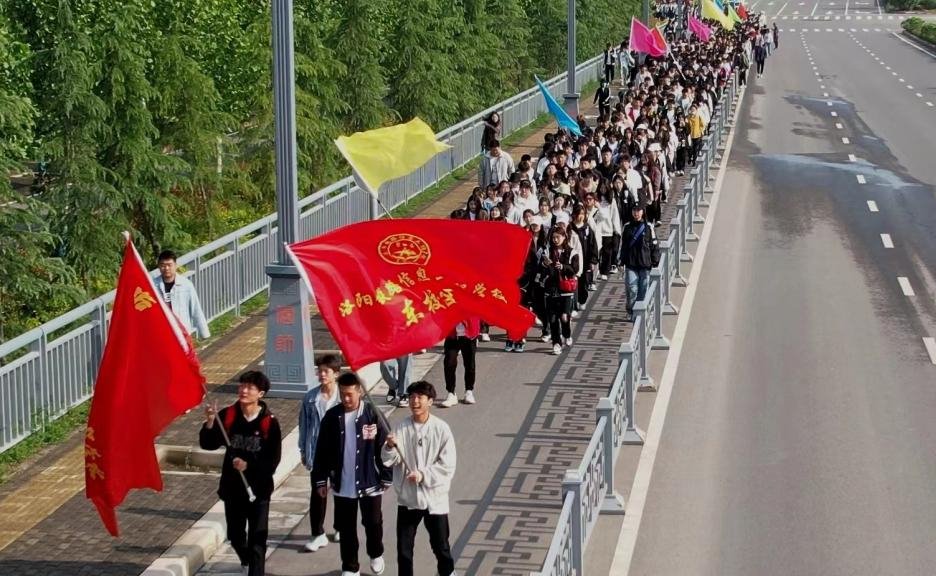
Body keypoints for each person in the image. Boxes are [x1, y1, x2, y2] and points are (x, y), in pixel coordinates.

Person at [200, 371, 282, 576]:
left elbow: (273, 460)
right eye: (242, 386)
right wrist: (210, 421)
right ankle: (245, 559)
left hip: (259, 490)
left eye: (250, 387)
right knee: (235, 536)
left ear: (260, 394)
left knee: (257, 539)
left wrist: (249, 466)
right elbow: (208, 444)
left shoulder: (269, 422)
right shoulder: (228, 415)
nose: (244, 391)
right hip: (233, 488)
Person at [313, 372, 392, 576]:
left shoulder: (373, 414)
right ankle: (350, 566)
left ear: (360, 392)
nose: (346, 399)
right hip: (343, 483)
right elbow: (322, 450)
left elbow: (386, 446)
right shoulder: (332, 417)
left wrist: (386, 474)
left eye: (349, 394)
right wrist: (320, 480)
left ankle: (376, 553)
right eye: (342, 394)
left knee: (373, 523)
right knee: (346, 528)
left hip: (370, 480)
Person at [382, 381, 457, 576]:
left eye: (419, 397)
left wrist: (423, 475)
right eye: (412, 397)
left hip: (434, 499)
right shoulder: (401, 428)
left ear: (430, 401)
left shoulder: (441, 429)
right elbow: (389, 460)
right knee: (404, 550)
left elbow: (447, 465)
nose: (415, 401)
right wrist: (389, 446)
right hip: (409, 498)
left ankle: (448, 573)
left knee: (441, 547)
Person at [299, 355, 342, 552]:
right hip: (317, 453)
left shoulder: (343, 397)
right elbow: (304, 425)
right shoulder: (310, 397)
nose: (322, 374)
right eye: (320, 370)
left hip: (340, 453)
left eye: (326, 371)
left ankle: (340, 526)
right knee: (318, 493)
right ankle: (318, 534)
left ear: (336, 374)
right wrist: (303, 449)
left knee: (341, 491)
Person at [540, 227, 579, 355]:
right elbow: (540, 268)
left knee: (564, 317)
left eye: (558, 237)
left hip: (566, 290)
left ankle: (567, 334)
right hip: (551, 289)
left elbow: (575, 269)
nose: (555, 240)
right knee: (552, 319)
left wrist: (563, 267)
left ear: (564, 237)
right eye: (553, 237)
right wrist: (545, 264)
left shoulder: (571, 252)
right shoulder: (547, 251)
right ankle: (556, 343)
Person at [155, 249, 210, 339]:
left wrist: (204, 332)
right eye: (163, 265)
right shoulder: (153, 285)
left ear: (175, 265)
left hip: (182, 333)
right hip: (161, 333)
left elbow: (196, 308)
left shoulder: (186, 284)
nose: (166, 268)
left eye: (169, 265)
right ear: (159, 266)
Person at [619, 204, 660, 320]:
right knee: (632, 289)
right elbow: (624, 246)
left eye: (638, 210)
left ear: (643, 212)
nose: (636, 213)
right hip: (631, 264)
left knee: (643, 289)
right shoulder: (627, 227)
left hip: (645, 264)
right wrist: (621, 261)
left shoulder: (648, 227)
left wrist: (655, 260)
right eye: (634, 210)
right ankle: (631, 310)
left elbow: (654, 244)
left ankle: (641, 312)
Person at [441, 318, 480, 407]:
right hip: (452, 334)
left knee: (470, 364)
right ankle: (451, 393)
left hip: (469, 333)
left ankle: (469, 391)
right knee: (449, 362)